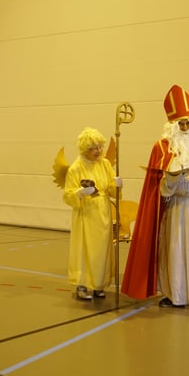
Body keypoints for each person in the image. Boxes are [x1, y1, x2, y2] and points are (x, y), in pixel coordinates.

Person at [121, 84, 189, 311]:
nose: (185, 127)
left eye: (188, 123)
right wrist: (170, 182)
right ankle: (173, 294)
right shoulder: (161, 147)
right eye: (180, 124)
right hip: (174, 207)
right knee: (174, 249)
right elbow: (154, 188)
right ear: (172, 126)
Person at [62, 127, 122, 300]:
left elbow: (111, 190)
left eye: (100, 147)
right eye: (93, 148)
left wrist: (117, 186)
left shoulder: (105, 164)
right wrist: (79, 193)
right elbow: (67, 195)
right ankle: (82, 285)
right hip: (86, 214)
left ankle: (99, 284)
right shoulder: (75, 169)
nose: (98, 151)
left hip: (103, 213)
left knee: (101, 251)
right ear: (85, 149)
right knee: (84, 248)